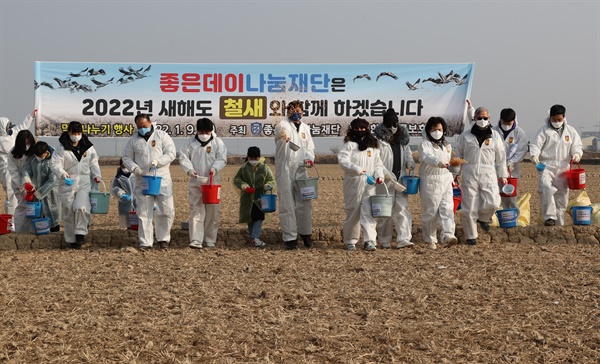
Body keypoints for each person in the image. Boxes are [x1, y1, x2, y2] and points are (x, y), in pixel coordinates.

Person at [455, 106, 508, 245]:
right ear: (474, 118)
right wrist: (454, 174)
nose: (483, 120)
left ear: (489, 119)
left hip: (488, 172)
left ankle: (484, 218)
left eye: (485, 118)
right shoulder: (465, 137)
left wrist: (503, 174)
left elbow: (501, 157)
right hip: (469, 172)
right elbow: (458, 157)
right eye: (480, 118)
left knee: (494, 202)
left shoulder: (495, 136)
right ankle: (470, 236)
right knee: (469, 206)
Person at [123, 113, 176, 250]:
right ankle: (146, 242)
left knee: (166, 210)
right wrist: (135, 169)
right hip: (143, 180)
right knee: (144, 212)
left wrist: (158, 162)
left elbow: (171, 153)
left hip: (161, 179)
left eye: (145, 126)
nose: (142, 129)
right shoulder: (133, 140)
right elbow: (126, 158)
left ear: (150, 122)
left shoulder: (162, 136)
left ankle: (163, 239)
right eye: (139, 127)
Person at [50, 121, 102, 248]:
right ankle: (71, 240)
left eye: (79, 133)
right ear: (69, 133)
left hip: (84, 181)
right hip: (68, 182)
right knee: (69, 211)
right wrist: (62, 173)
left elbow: (93, 162)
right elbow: (55, 164)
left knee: (82, 207)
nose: (77, 136)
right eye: (74, 133)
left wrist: (96, 175)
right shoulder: (61, 148)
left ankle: (80, 234)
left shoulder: (88, 147)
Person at [529, 104, 583, 226]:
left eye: (559, 120)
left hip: (563, 167)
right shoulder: (543, 131)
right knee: (546, 188)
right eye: (554, 119)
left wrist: (576, 154)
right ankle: (549, 217)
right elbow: (535, 145)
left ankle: (559, 223)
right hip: (546, 166)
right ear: (550, 117)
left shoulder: (571, 131)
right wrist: (534, 156)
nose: (557, 122)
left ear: (564, 117)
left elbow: (577, 145)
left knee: (562, 195)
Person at [179, 117, 227, 249]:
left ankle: (210, 239)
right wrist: (189, 170)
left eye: (207, 132)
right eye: (202, 132)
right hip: (196, 181)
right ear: (197, 130)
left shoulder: (218, 143)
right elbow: (183, 158)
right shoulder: (189, 143)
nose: (204, 135)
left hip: (212, 183)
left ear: (211, 131)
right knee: (196, 210)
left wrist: (215, 168)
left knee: (212, 211)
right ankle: (196, 240)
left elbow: (222, 158)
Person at [273, 100, 316, 250]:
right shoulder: (282, 125)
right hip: (285, 168)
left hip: (301, 168)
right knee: (287, 203)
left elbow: (309, 147)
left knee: (305, 202)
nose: (296, 113)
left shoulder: (305, 128)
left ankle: (306, 233)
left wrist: (310, 158)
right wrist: (282, 135)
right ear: (288, 113)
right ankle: (290, 237)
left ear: (303, 112)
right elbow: (279, 134)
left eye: (299, 110)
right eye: (292, 111)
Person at [338, 118, 385, 251]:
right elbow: (343, 160)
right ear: (352, 130)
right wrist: (356, 169)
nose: (360, 131)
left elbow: (378, 164)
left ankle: (369, 240)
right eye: (357, 128)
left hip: (369, 184)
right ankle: (350, 240)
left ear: (367, 129)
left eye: (362, 128)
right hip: (353, 183)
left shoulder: (373, 146)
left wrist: (379, 176)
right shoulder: (349, 145)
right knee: (353, 211)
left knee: (368, 212)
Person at [372, 108, 416, 248]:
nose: (393, 125)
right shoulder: (377, 139)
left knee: (402, 209)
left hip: (401, 178)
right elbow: (376, 159)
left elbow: (408, 153)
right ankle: (384, 240)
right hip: (385, 180)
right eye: (390, 122)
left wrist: (410, 162)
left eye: (395, 122)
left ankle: (404, 238)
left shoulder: (402, 138)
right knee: (385, 211)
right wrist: (385, 173)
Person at [418, 117, 458, 250]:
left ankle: (448, 235)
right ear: (429, 130)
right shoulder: (425, 144)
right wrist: (437, 162)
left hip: (445, 179)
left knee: (447, 208)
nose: (437, 132)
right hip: (431, 179)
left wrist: (452, 177)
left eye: (439, 129)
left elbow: (450, 161)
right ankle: (430, 239)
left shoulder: (447, 145)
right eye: (434, 129)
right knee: (431, 211)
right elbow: (427, 157)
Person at [233, 146, 275, 248]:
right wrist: (243, 186)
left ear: (259, 157)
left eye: (255, 158)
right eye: (251, 158)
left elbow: (271, 179)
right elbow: (236, 179)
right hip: (247, 198)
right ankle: (254, 239)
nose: (253, 161)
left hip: (260, 198)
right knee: (250, 218)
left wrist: (268, 185)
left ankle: (255, 238)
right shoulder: (244, 168)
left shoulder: (264, 168)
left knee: (259, 218)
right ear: (248, 157)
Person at [491, 108, 529, 209]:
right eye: (505, 122)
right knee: (492, 193)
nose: (507, 125)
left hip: (512, 169)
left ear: (514, 120)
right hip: (494, 167)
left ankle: (511, 217)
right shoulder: (493, 131)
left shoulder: (520, 133)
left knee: (510, 195)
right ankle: (492, 217)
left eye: (509, 123)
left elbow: (521, 151)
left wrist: (512, 163)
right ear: (500, 119)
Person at [0, 110, 35, 214]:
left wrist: (31, 116)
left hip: (18, 167)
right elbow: (13, 150)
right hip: (7, 170)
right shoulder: (2, 141)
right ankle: (11, 221)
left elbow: (22, 127)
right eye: (9, 127)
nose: (11, 129)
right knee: (11, 196)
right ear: (3, 128)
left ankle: (18, 220)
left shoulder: (12, 135)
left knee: (21, 194)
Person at [22, 141, 61, 232]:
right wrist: (27, 181)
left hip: (50, 192)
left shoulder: (53, 161)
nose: (38, 158)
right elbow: (26, 170)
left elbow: (52, 180)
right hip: (37, 191)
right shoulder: (33, 159)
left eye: (40, 156)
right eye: (37, 156)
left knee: (52, 214)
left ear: (47, 152)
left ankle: (54, 234)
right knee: (40, 216)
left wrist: (39, 193)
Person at [8, 130, 36, 232]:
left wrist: (33, 184)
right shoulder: (12, 153)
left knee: (35, 208)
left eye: (28, 143)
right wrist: (23, 186)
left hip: (34, 184)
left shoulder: (35, 151)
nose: (27, 146)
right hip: (19, 185)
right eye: (25, 143)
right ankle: (21, 230)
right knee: (23, 206)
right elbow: (14, 172)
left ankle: (33, 230)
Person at [111, 159, 135, 229]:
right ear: (121, 165)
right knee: (128, 223)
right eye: (124, 164)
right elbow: (114, 188)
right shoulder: (118, 177)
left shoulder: (135, 175)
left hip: (137, 201)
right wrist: (121, 194)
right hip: (125, 203)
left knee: (138, 221)